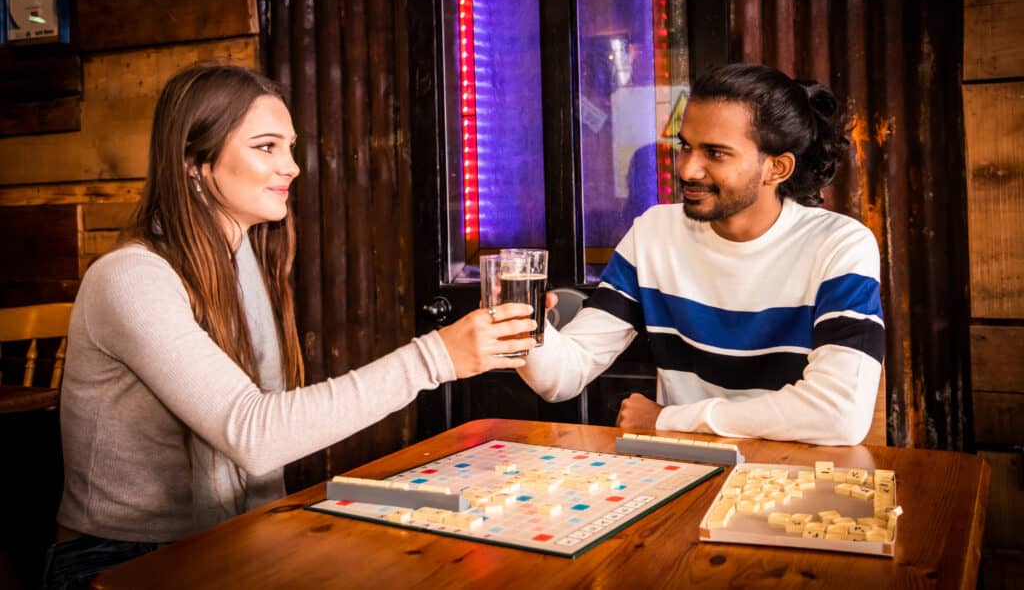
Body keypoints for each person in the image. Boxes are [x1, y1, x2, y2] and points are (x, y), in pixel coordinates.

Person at [43, 63, 537, 589]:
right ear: (194, 162)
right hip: (115, 562)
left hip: (227, 539)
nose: (293, 167)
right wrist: (435, 357)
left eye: (291, 147)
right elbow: (253, 434)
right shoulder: (130, 277)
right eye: (266, 147)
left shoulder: (245, 266)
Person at [519, 63, 885, 446]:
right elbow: (563, 376)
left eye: (716, 153)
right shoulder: (654, 234)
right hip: (681, 472)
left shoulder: (839, 245)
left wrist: (669, 419)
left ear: (776, 167)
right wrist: (524, 332)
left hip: (795, 479)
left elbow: (839, 416)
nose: (689, 169)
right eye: (686, 146)